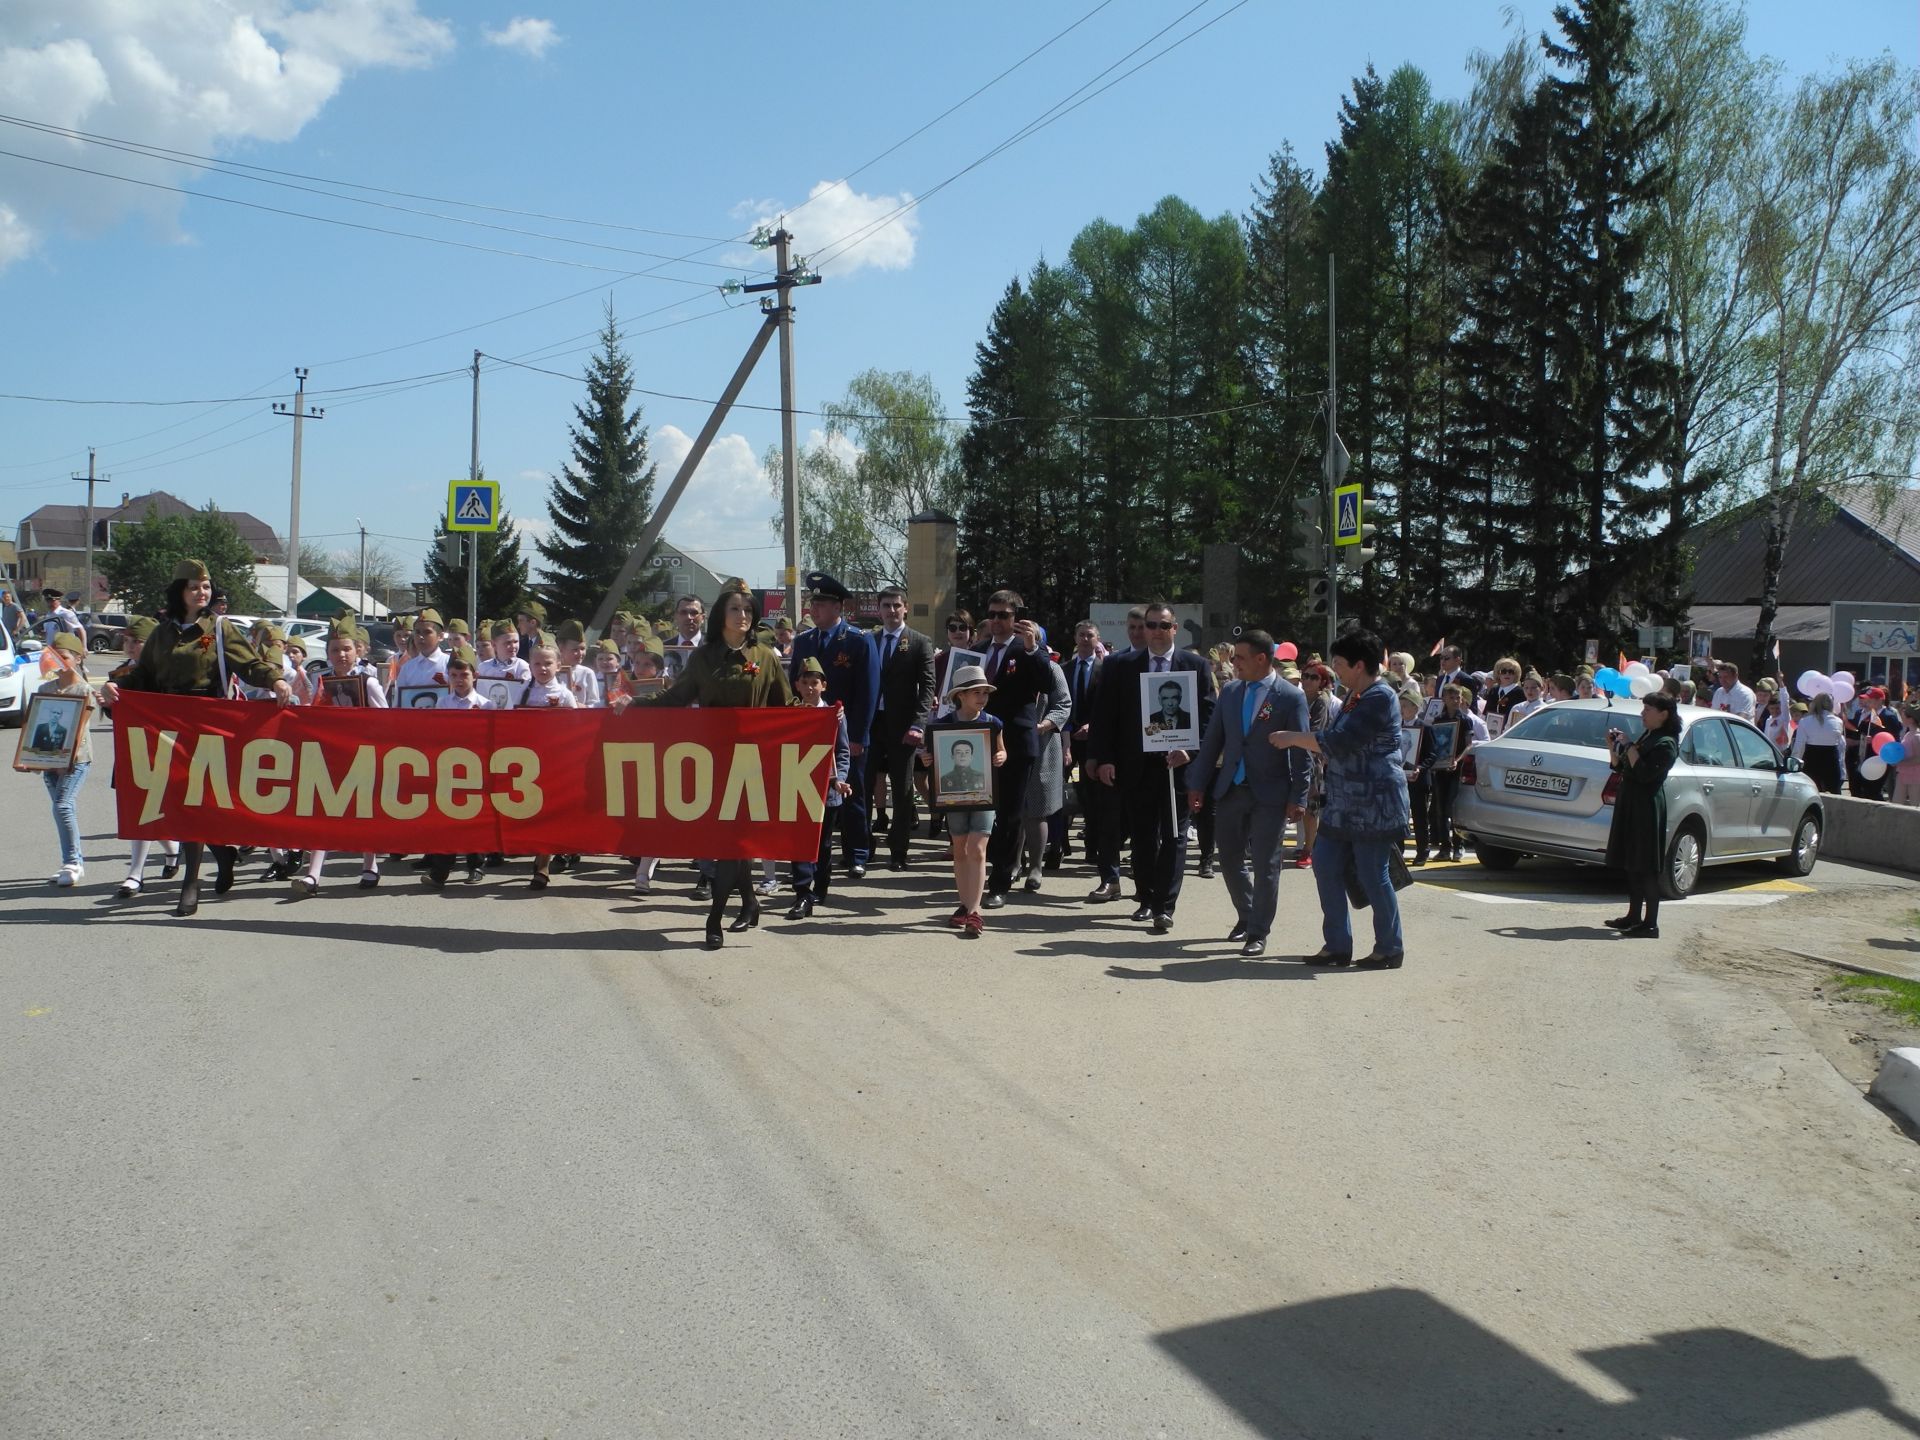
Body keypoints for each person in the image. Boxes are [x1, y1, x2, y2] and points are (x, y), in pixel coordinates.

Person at [101, 558, 294, 916]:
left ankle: (191, 882)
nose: (201, 592)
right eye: (194, 587)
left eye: (205, 587)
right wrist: (117, 686)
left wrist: (275, 680)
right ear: (180, 592)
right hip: (167, 725)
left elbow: (249, 665)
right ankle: (223, 852)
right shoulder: (161, 633)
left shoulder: (220, 628)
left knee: (196, 801)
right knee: (177, 801)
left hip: (207, 726)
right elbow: (143, 675)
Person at [640, 578, 794, 945]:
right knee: (731, 841)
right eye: (735, 608)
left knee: (733, 841)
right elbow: (674, 699)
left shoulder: (765, 657)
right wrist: (630, 704)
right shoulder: (703, 657)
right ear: (721, 614)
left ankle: (714, 919)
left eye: (747, 609)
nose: (743, 615)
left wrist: (824, 717)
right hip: (712, 759)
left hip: (751, 762)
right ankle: (750, 903)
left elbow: (786, 709)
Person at [1268, 629, 1410, 969]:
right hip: (1344, 803)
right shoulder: (1355, 695)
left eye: (1340, 664)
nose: (1335, 670)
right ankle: (1337, 946)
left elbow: (1341, 741)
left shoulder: (1379, 697)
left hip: (1374, 804)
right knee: (1326, 865)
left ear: (1359, 665)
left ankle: (1389, 948)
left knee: (1374, 875)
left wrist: (1293, 738)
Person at [1088, 600, 1216, 934]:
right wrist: (1104, 759)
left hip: (1178, 766)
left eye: (1163, 625)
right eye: (1151, 625)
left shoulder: (1196, 666)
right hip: (1135, 765)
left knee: (1174, 834)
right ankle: (1146, 898)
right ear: (1143, 629)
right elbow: (1105, 717)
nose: (1156, 632)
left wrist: (1190, 750)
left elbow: (1208, 718)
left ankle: (1165, 906)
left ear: (1175, 628)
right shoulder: (1120, 665)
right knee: (1143, 837)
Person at [1189, 630, 1310, 957]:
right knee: (1228, 859)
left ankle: (1258, 931)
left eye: (1240, 657)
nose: (1233, 663)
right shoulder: (1230, 691)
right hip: (1231, 788)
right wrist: (1197, 783)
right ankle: (1246, 913)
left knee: (1266, 863)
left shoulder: (1289, 696)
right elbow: (1213, 740)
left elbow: (1301, 750)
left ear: (1261, 659)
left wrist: (1299, 796)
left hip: (1270, 793)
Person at [788, 572, 880, 878]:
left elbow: (868, 691)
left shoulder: (858, 640)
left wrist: (858, 735)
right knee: (810, 795)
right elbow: (793, 687)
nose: (815, 610)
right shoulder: (803, 642)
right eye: (813, 604)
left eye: (822, 604)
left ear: (838, 607)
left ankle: (857, 853)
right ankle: (810, 856)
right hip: (809, 734)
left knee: (850, 794)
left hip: (846, 734)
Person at [975, 592, 1056, 907]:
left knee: (1009, 815)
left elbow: (1046, 684)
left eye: (1004, 615)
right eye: (993, 614)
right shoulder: (979, 650)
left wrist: (1034, 648)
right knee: (982, 811)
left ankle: (1000, 883)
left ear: (1017, 617)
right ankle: (980, 873)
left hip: (1016, 744)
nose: (996, 621)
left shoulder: (1028, 650)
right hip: (979, 742)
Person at [924, 664, 1006, 939]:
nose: (982, 698)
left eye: (985, 693)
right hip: (954, 796)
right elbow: (931, 756)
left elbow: (1001, 751)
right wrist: (928, 759)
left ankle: (974, 911)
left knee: (977, 848)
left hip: (985, 795)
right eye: (976, 693)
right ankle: (965, 903)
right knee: (960, 848)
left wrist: (1001, 757)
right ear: (960, 695)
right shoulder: (941, 725)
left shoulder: (993, 723)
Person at [866, 585, 936, 870]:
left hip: (903, 727)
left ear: (905, 608)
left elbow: (927, 686)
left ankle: (898, 852)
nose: (891, 611)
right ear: (879, 609)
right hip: (872, 725)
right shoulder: (870, 640)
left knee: (903, 788)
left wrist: (918, 724)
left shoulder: (919, 642)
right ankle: (862, 849)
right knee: (865, 785)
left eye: (897, 605)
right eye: (886, 606)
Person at [1603, 691, 1683, 938]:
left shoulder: (1666, 742)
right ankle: (1634, 916)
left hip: (1646, 806)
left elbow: (1646, 773)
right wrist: (1614, 748)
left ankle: (1650, 924)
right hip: (1631, 802)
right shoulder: (1650, 735)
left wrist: (1628, 746)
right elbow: (1622, 767)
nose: (1642, 714)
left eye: (1648, 710)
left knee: (1646, 865)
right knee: (1632, 863)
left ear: (1664, 714)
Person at [785, 657, 853, 920]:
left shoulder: (835, 714)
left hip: (828, 790)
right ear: (797, 685)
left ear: (824, 685)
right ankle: (803, 892)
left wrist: (841, 778)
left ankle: (821, 884)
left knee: (823, 845)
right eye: (805, 683)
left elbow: (843, 752)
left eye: (815, 682)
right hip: (798, 786)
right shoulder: (792, 713)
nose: (810, 687)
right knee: (799, 841)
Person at [35, 632, 94, 887]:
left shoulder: (83, 689)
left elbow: (79, 728)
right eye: (54, 656)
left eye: (65, 656)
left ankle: (72, 862)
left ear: (78, 658)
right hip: (48, 760)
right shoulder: (45, 688)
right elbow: (35, 725)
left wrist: (65, 759)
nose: (59, 660)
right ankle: (73, 860)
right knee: (62, 810)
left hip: (76, 759)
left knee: (62, 806)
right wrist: (32, 758)